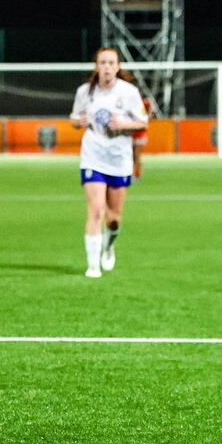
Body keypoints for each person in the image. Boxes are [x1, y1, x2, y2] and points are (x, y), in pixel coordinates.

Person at [69, 48, 148, 278]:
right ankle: (93, 265)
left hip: (119, 158)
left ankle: (109, 245)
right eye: (102, 62)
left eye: (111, 63)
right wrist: (78, 121)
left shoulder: (129, 92)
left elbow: (143, 122)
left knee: (113, 218)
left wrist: (122, 124)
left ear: (117, 66)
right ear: (97, 66)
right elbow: (73, 118)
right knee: (95, 210)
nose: (106, 67)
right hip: (93, 155)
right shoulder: (85, 91)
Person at [133, 96, 154, 180]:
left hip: (140, 135)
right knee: (133, 156)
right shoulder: (136, 105)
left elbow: (149, 115)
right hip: (134, 135)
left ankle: (137, 174)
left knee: (137, 155)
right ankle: (133, 173)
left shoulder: (144, 104)